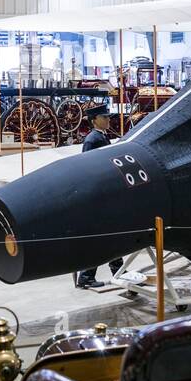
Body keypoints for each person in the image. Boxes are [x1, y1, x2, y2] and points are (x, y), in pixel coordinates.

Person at [75, 105, 125, 289]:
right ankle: (87, 276)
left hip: (106, 193)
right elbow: (88, 169)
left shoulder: (101, 137)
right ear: (94, 119)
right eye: (104, 117)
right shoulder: (92, 140)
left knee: (111, 235)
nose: (108, 120)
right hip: (99, 196)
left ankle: (117, 271)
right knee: (104, 236)